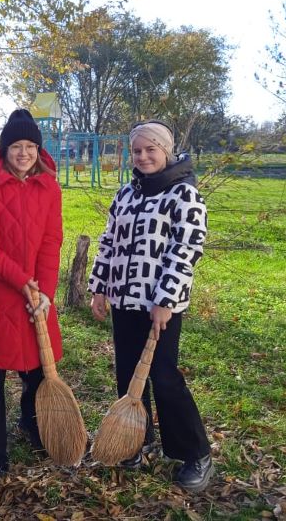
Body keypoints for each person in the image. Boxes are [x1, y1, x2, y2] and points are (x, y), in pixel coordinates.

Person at [88, 120, 213, 493]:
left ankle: (196, 453)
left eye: (150, 150)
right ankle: (136, 443)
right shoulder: (126, 193)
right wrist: (99, 287)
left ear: (166, 151)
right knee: (128, 376)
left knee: (163, 378)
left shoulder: (183, 195)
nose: (143, 157)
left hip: (159, 306)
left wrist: (166, 300)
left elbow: (186, 250)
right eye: (137, 151)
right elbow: (108, 241)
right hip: (124, 301)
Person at [0, 109, 63, 481]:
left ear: (39, 150)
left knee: (37, 369)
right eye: (16, 146)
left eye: (31, 146)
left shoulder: (50, 188)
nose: (24, 153)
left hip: (36, 294)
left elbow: (52, 241)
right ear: (4, 149)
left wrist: (45, 292)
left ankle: (32, 424)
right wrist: (23, 280)